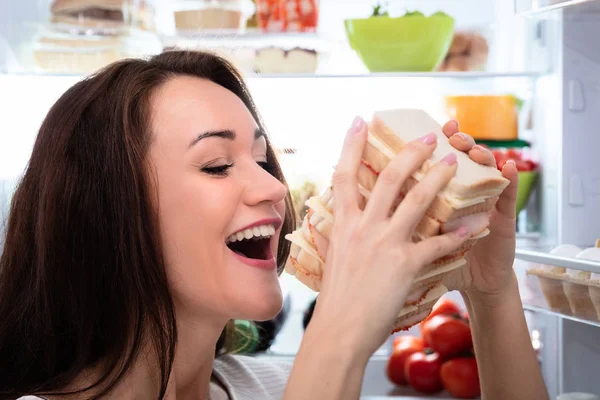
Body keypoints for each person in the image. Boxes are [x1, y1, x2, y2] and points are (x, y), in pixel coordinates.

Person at [0, 50, 548, 400]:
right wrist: (339, 331)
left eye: (263, 160)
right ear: (107, 213)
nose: (274, 188)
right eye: (216, 165)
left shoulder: (270, 388)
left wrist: (491, 293)